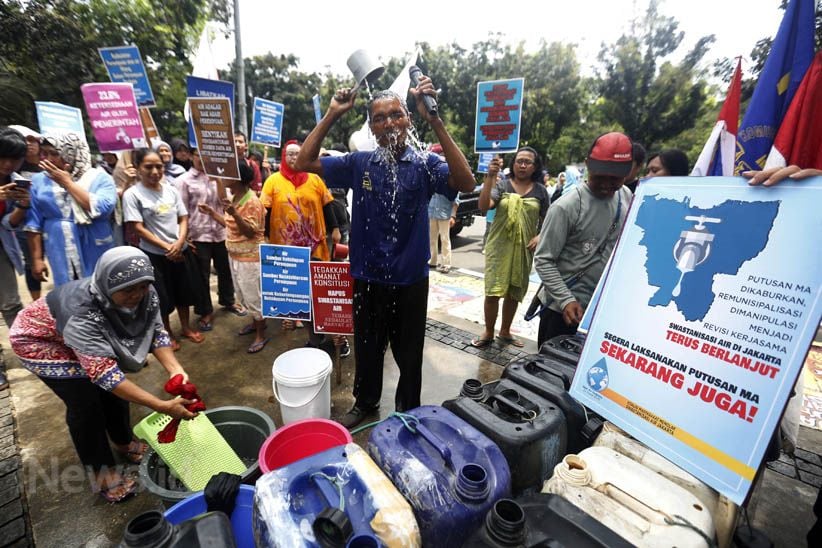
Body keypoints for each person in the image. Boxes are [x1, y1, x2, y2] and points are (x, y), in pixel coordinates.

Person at [294, 70, 476, 428]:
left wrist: (435, 121)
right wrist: (332, 114)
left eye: (396, 114)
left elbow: (466, 182)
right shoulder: (359, 162)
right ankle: (365, 402)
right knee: (367, 347)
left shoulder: (426, 165)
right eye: (379, 118)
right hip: (367, 278)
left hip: (410, 281)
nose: (389, 122)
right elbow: (303, 162)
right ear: (371, 128)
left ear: (409, 120)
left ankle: (408, 411)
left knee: (410, 355)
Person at [9, 247, 197, 503]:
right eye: (128, 290)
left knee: (112, 392)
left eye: (142, 287)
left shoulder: (145, 290)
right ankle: (102, 472)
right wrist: (162, 406)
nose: (137, 295)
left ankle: (122, 441)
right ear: (106, 284)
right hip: (41, 341)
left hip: (76, 336)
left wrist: (176, 369)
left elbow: (156, 330)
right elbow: (105, 375)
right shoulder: (81, 314)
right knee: (86, 403)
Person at [534, 132, 634, 347]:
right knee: (550, 373)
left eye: (615, 178)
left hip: (599, 310)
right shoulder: (566, 206)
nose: (607, 185)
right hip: (562, 311)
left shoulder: (625, 196)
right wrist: (566, 299)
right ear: (588, 165)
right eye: (600, 176)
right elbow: (543, 260)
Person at [122, 148, 208, 350]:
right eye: (148, 167)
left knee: (184, 293)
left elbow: (183, 217)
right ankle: (167, 333)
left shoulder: (170, 189)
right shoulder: (132, 195)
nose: (154, 171)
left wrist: (179, 243)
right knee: (161, 297)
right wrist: (168, 247)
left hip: (180, 250)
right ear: (138, 168)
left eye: (158, 166)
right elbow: (137, 227)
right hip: (155, 255)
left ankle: (186, 327)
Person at [473, 147, 551, 348]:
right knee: (492, 291)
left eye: (527, 162)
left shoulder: (541, 191)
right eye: (519, 161)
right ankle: (489, 332)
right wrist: (489, 177)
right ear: (513, 163)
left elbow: (550, 220)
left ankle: (505, 331)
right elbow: (483, 206)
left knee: (513, 292)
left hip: (524, 248)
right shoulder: (502, 185)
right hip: (498, 247)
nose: (523, 165)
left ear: (535, 167)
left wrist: (540, 236)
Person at [261, 139, 335, 341]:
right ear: (283, 157)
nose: (294, 157)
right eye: (290, 154)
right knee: (294, 290)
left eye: (298, 153)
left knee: (316, 290)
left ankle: (321, 334)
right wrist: (265, 236)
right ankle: (300, 323)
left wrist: (335, 229)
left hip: (315, 248)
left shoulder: (315, 179)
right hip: (286, 251)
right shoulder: (272, 181)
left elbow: (328, 205)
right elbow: (265, 211)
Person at [25, 133, 117, 286]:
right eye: (44, 153)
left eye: (55, 154)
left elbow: (103, 208)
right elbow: (33, 222)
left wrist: (68, 183)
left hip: (93, 243)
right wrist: (37, 259)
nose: (48, 159)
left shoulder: (100, 178)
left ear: (71, 153)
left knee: (100, 287)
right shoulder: (38, 180)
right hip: (58, 244)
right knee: (67, 292)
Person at [199, 162, 269, 353]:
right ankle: (256, 325)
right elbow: (231, 226)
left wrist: (234, 213)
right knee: (243, 294)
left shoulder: (252, 201)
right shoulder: (236, 197)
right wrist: (213, 213)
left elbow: (248, 232)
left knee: (254, 297)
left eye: (229, 174)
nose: (225, 177)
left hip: (250, 257)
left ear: (240, 179)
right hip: (236, 255)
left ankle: (261, 334)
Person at [176, 148, 245, 332]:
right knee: (201, 275)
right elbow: (181, 211)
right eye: (199, 155)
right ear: (191, 156)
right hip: (198, 235)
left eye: (207, 155)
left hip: (222, 232)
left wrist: (218, 181)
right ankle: (205, 311)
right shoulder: (183, 181)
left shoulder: (220, 178)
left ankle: (228, 301)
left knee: (225, 270)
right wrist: (185, 236)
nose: (203, 159)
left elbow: (227, 203)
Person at [0, 126, 30, 390]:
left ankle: (28, 348)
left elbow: (9, 224)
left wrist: (22, 205)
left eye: (15, 159)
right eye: (4, 157)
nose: (8, 164)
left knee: (10, 303)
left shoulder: (16, 180)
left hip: (2, 249)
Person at [428, 143, 460, 274]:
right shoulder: (432, 174)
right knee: (432, 238)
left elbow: (456, 199)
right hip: (431, 212)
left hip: (444, 213)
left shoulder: (450, 175)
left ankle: (446, 264)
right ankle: (433, 260)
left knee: (445, 238)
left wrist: (453, 216)